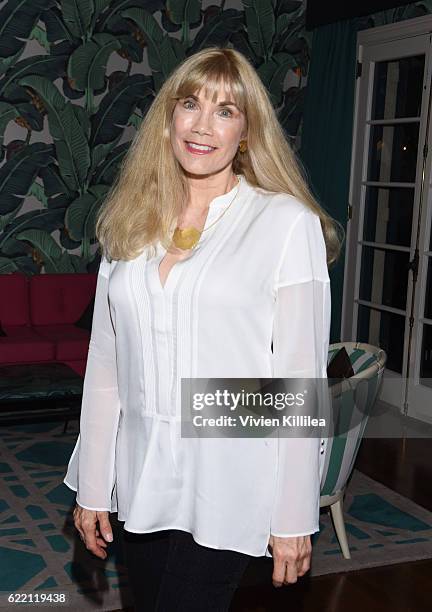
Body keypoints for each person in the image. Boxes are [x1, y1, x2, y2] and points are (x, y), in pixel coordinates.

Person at [63, 46, 343, 611]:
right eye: (190, 104)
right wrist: (93, 484)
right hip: (139, 473)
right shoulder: (129, 221)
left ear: (246, 132)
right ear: (168, 118)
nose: (202, 125)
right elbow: (106, 368)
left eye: (225, 110)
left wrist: (292, 515)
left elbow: (296, 379)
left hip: (228, 474)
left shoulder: (284, 224)